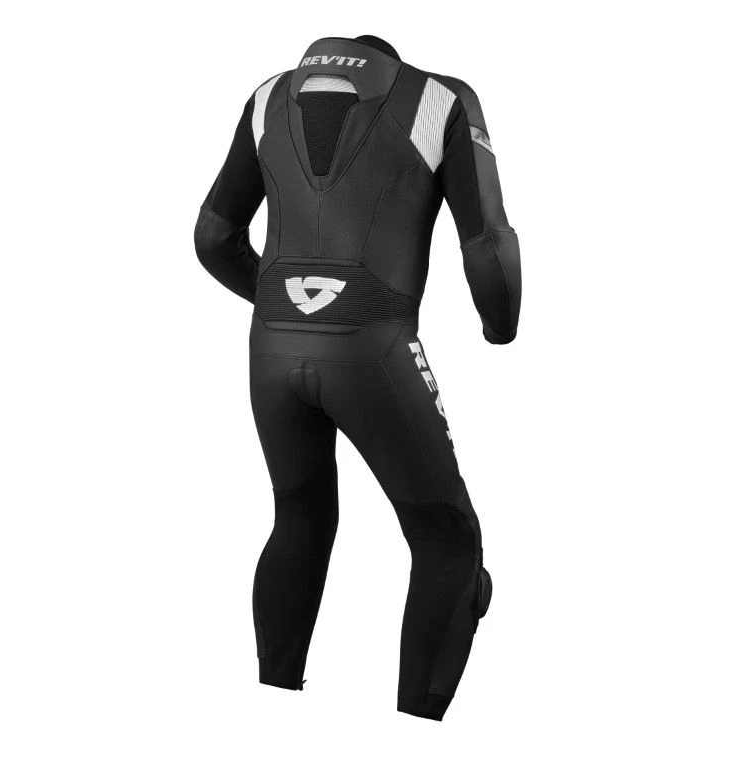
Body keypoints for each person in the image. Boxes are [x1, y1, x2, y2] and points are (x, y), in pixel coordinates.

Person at [194, 35, 521, 721]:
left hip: (271, 349)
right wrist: (500, 327)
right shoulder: (440, 98)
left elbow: (213, 236)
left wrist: (286, 304)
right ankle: (417, 729)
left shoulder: (267, 98)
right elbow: (489, 247)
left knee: (300, 517)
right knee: (446, 539)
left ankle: (270, 706)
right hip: (374, 347)